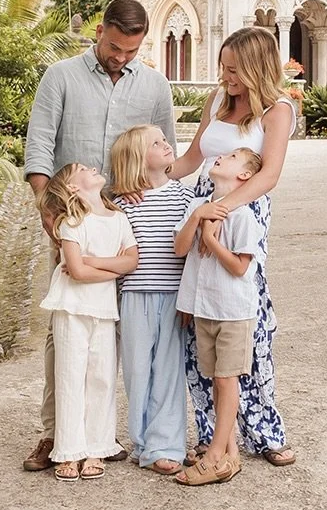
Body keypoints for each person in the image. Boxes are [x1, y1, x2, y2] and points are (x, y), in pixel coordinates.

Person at [23, 0, 176, 472]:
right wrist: (50, 210)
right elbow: (39, 146)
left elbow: (166, 153)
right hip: (71, 219)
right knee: (67, 328)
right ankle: (56, 434)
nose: (121, 57)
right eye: (115, 47)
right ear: (99, 31)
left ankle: (104, 435)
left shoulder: (154, 85)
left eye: (132, 51)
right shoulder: (61, 77)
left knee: (122, 328)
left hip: (130, 222)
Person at [169, 26, 297, 466]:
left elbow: (269, 174)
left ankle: (265, 431)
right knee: (198, 316)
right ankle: (211, 434)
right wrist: (146, 177)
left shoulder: (278, 110)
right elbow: (191, 160)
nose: (225, 77)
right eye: (223, 68)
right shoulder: (217, 100)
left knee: (246, 322)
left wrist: (222, 209)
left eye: (234, 70)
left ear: (258, 69)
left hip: (243, 208)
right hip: (202, 203)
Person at [37, 164, 138, 481]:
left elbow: (132, 261)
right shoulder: (71, 222)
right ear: (72, 188)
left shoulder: (119, 219)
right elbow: (77, 273)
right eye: (82, 169)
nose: (93, 168)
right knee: (70, 377)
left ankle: (97, 447)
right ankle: (69, 450)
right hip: (72, 309)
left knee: (101, 378)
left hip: (104, 310)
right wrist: (114, 269)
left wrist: (93, 262)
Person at [172, 147, 264, 486]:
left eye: (232, 157)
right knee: (216, 380)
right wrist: (198, 218)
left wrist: (211, 239)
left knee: (227, 380)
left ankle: (214, 455)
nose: (221, 157)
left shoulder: (243, 216)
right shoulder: (198, 206)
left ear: (244, 175)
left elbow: (240, 268)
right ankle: (230, 454)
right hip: (205, 308)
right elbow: (180, 248)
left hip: (233, 310)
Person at [108, 125, 193, 476]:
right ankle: (142, 442)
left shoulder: (185, 197)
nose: (166, 144)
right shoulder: (120, 205)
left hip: (173, 297)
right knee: (137, 371)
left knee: (169, 372)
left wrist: (190, 300)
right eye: (156, 143)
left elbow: (192, 255)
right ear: (137, 160)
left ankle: (166, 445)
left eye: (164, 139)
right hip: (134, 297)